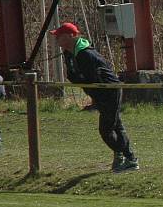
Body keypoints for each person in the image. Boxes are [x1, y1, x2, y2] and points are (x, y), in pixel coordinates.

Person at [50, 22, 138, 173]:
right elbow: (73, 76)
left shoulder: (85, 54)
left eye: (59, 36)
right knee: (115, 126)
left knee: (106, 130)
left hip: (109, 91)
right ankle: (124, 158)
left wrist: (94, 95)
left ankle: (129, 158)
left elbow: (91, 78)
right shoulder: (69, 53)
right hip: (98, 93)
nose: (56, 38)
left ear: (71, 36)